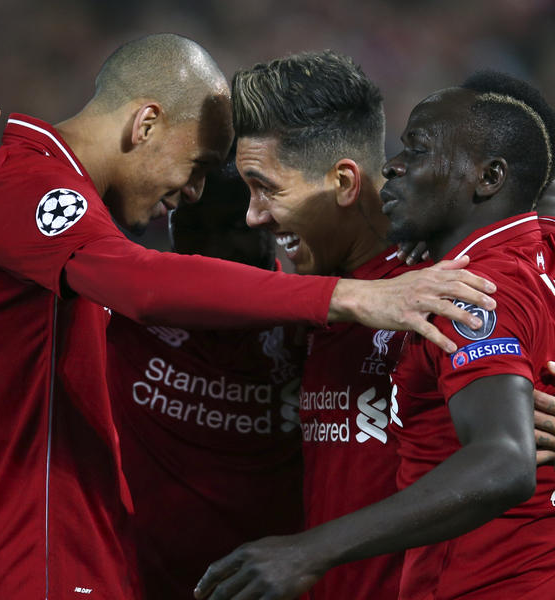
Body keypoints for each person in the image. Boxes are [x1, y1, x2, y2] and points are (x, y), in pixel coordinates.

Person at [0, 33, 499, 599]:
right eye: (199, 166)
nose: (197, 193)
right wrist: (349, 297)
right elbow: (140, 282)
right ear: (146, 124)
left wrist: (510, 390)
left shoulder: (22, 196)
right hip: (30, 565)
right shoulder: (29, 186)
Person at [195, 69, 555, 600]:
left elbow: (502, 460)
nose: (252, 217)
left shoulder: (455, 286)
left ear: (343, 182)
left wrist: (308, 551)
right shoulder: (308, 297)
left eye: (267, 188)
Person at [107, 153, 306, 599]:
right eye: (194, 226)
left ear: (269, 225)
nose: (211, 250)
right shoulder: (127, 312)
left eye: (232, 227)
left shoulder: (311, 329)